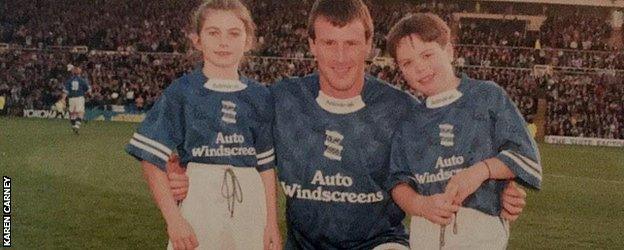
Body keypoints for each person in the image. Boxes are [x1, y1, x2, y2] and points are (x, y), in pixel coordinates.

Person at [167, 1, 528, 249]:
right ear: (311, 44)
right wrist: (180, 167)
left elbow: (456, 156)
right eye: (329, 43)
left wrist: (503, 188)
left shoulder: (402, 108)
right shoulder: (281, 98)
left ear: (369, 45)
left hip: (380, 243)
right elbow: (220, 129)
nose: (340, 58)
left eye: (351, 43)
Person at [125, 0, 281, 249]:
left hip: (250, 205)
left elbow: (265, 166)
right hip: (199, 205)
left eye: (234, 33)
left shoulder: (260, 95)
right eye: (213, 32)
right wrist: (174, 220)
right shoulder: (182, 92)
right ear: (197, 40)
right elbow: (150, 159)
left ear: (248, 41)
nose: (223, 42)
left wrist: (271, 223)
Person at [385, 13, 542, 249]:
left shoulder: (487, 96)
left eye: (427, 55)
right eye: (407, 63)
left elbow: (525, 157)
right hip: (424, 238)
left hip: (481, 237)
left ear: (449, 51)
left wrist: (481, 171)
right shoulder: (408, 121)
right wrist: (421, 205)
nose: (420, 68)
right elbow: (398, 184)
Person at [62, 65, 91, 134]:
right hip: (79, 97)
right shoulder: (82, 80)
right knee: (80, 113)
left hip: (71, 98)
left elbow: (65, 91)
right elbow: (88, 90)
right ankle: (77, 126)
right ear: (79, 73)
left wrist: (63, 99)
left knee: (72, 113)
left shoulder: (69, 81)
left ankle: (73, 126)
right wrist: (89, 94)